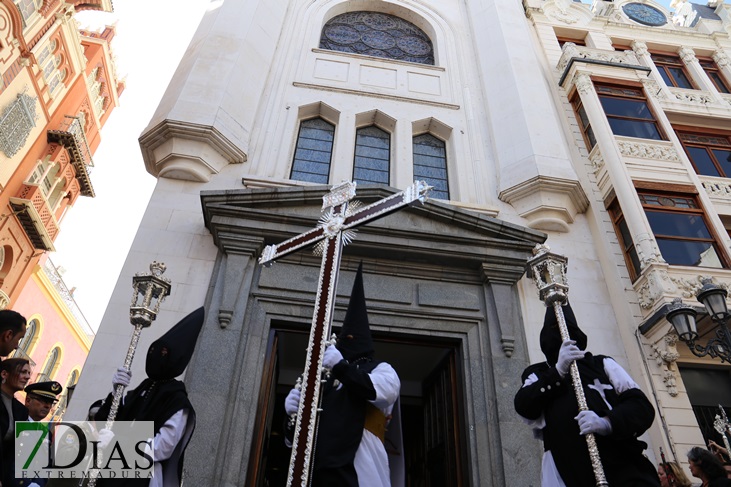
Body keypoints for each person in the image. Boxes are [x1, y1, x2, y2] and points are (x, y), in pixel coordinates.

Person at [514, 301, 661, 486]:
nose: (561, 334)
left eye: (567, 328)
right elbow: (524, 406)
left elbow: (641, 407)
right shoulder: (538, 374)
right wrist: (558, 371)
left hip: (622, 464)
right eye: (554, 329)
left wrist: (607, 422)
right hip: (567, 467)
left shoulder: (602, 364)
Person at [284, 264, 401, 486]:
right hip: (320, 471)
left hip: (362, 467)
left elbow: (381, 392)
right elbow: (294, 443)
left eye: (352, 340)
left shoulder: (381, 369)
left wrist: (341, 367)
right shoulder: (325, 382)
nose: (348, 344)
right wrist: (293, 416)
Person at [91, 307, 205, 487]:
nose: (154, 357)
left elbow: (161, 448)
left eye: (163, 353)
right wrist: (115, 393)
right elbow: (108, 421)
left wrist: (117, 443)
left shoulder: (177, 400)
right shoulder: (143, 388)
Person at [0, 358, 31, 487]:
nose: (27, 377)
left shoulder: (21, 411)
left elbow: (12, 452)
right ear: (4, 374)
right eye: (23, 372)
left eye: (29, 374)